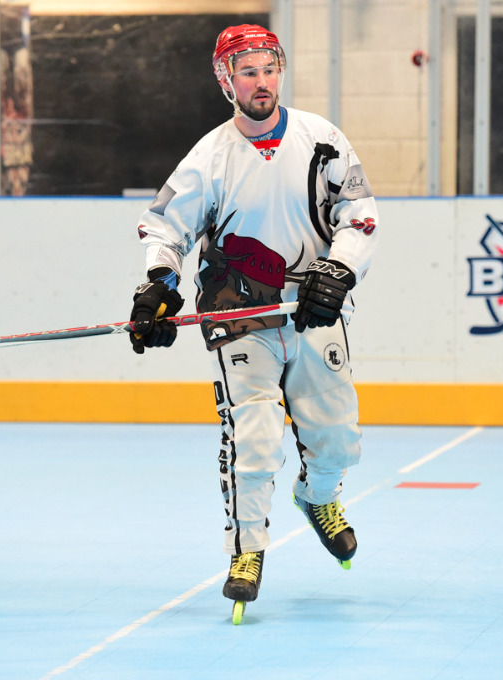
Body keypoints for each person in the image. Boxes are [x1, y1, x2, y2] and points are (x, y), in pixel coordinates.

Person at [128, 24, 379, 621]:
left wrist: (340, 269)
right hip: (239, 314)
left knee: (338, 437)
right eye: (247, 72)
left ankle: (317, 499)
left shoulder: (323, 139)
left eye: (268, 69)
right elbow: (165, 227)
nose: (261, 82)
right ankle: (247, 550)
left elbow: (358, 212)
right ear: (227, 81)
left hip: (312, 308)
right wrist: (158, 286)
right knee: (255, 436)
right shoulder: (210, 157)